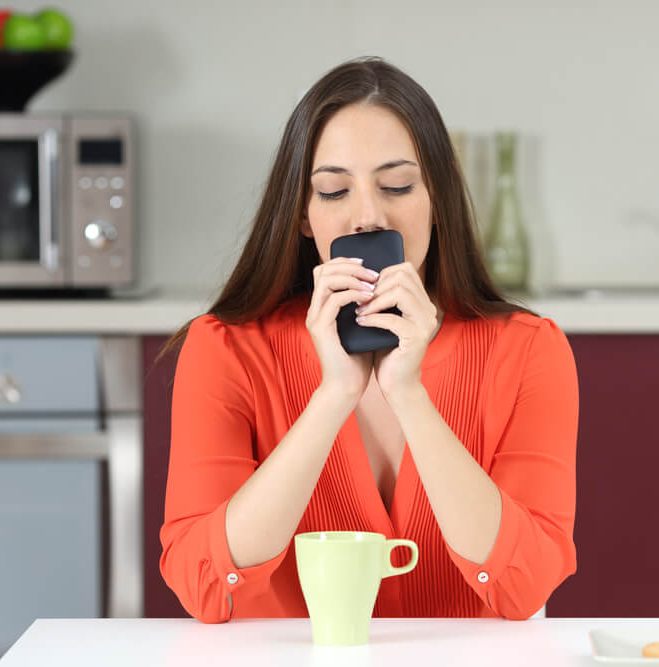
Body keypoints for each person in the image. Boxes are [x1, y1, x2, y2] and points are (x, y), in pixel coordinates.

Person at [159, 57, 578, 623]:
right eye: (333, 192)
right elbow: (205, 585)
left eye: (397, 185)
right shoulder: (224, 349)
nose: (367, 216)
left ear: (438, 200)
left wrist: (410, 395)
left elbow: (524, 584)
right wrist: (333, 396)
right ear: (304, 216)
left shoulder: (529, 349)